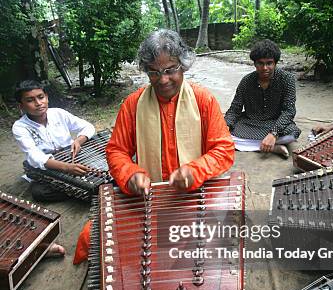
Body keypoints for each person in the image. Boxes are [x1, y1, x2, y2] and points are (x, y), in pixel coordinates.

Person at [73, 28, 235, 264]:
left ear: (183, 65)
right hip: (149, 195)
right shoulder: (133, 104)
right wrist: (131, 174)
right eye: (154, 72)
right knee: (97, 237)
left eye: (170, 70)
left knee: (218, 245)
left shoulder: (203, 100)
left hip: (195, 193)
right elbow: (117, 150)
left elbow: (223, 149)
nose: (163, 79)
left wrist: (194, 171)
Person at [13, 80, 96, 255]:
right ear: (21, 106)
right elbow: (35, 158)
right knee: (39, 192)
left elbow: (88, 127)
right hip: (48, 168)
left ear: (47, 97)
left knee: (98, 166)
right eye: (30, 100)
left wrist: (78, 141)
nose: (38, 103)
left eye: (41, 97)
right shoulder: (20, 127)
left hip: (72, 157)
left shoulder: (58, 113)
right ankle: (87, 191)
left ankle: (84, 190)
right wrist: (66, 168)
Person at [224, 39, 300, 158]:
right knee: (225, 135)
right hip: (249, 123)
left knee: (292, 134)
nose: (265, 68)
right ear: (254, 64)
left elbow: (289, 111)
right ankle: (273, 148)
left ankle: (260, 144)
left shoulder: (287, 79)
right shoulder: (246, 81)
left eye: (269, 63)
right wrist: (225, 126)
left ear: (275, 63)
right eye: (260, 63)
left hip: (275, 122)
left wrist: (273, 134)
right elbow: (235, 109)